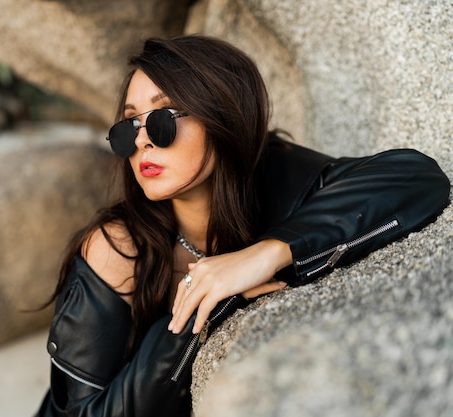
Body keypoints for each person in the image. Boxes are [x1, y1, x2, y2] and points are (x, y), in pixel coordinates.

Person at [34, 35, 450, 417]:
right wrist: (196, 315)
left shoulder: (282, 178)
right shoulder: (117, 247)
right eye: (129, 126)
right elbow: (80, 413)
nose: (142, 140)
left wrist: (266, 253)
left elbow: (416, 177)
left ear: (224, 117)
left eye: (162, 118)